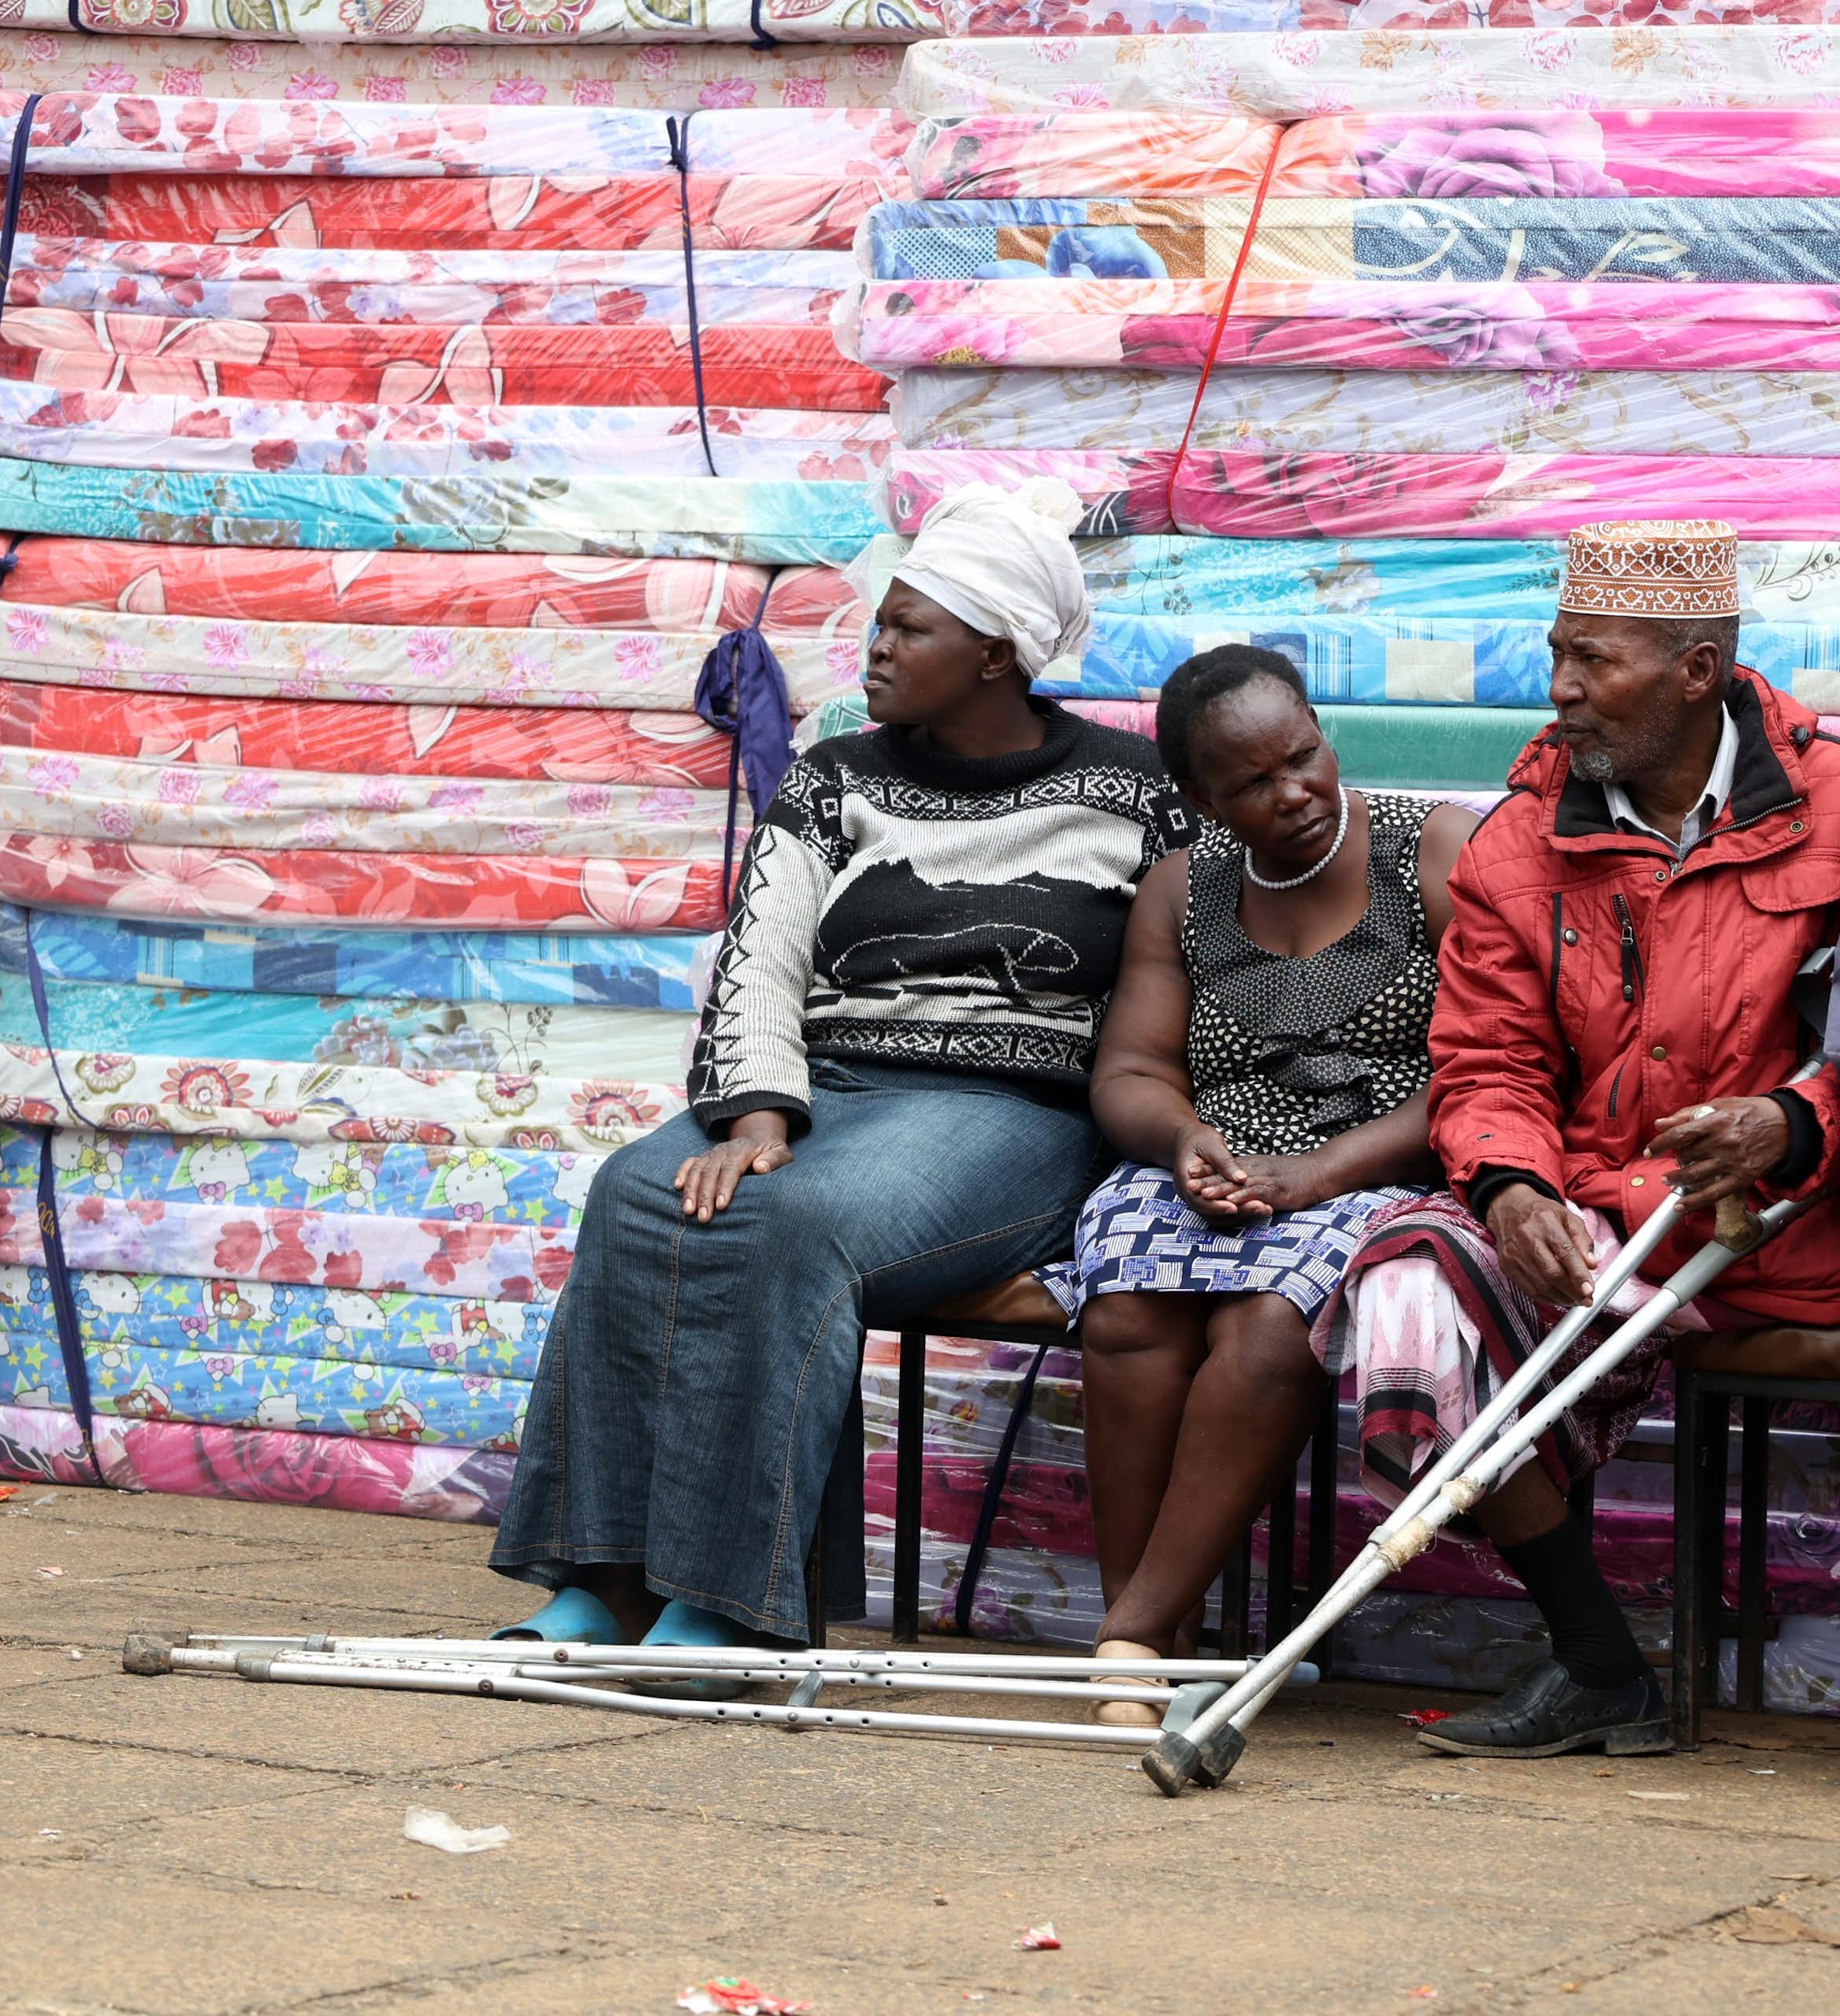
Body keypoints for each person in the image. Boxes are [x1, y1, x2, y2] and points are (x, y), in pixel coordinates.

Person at [487, 482, 1191, 1683]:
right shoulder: (834, 775)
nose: (877, 648)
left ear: (997, 655)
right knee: (637, 1192)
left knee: (797, 1220)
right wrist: (760, 1112)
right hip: (830, 1089)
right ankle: (601, 1575)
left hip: (1010, 1118)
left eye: (911, 629)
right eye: (882, 624)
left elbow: (1183, 971)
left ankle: (726, 1600)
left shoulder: (1135, 794)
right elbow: (763, 954)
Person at [1317, 518, 1840, 1759]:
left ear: (1698, 671)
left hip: (1796, 1218)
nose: (1560, 688)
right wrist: (1507, 1189)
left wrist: (1791, 1123)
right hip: (1604, 1211)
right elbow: (1488, 1060)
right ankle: (1599, 1662)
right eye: (1558, 654)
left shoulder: (1836, 814)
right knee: (1408, 1277)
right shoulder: (1519, 840)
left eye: (1594, 661)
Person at [1041, 644, 1478, 1718]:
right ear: (1199, 798)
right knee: (1127, 1311)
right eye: (1252, 783)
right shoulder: (1183, 890)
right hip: (1222, 1163)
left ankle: (1129, 1638)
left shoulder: (1432, 852)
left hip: (1382, 1164)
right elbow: (1135, 1070)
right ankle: (1161, 1644)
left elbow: (1484, 1070)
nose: (1293, 794)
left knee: (1272, 1325)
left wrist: (1316, 1174)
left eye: (1304, 757)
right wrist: (1187, 1144)